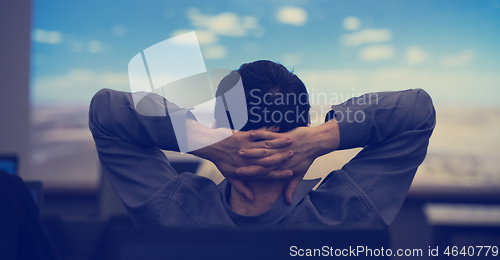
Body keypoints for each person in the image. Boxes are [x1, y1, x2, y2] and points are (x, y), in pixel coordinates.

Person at [89, 60, 435, 228]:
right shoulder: (347, 211)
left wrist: (204, 141)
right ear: (302, 126)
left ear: (218, 126)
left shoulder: (175, 211)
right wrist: (321, 138)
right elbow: (417, 111)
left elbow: (106, 112)